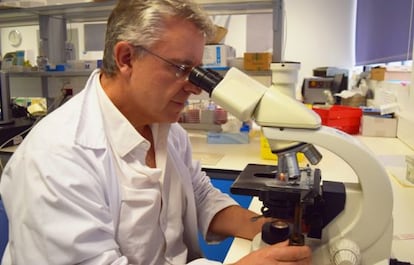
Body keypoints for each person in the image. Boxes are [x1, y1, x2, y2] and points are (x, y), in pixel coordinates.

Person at [0, 0, 312, 264]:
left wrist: (265, 227)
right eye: (180, 68)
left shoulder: (165, 127)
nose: (193, 87)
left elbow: (201, 195)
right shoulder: (57, 159)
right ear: (126, 58)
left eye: (197, 72)